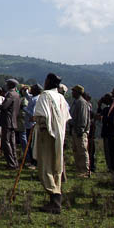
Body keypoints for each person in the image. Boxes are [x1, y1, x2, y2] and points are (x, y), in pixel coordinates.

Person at [33, 73, 71, 214]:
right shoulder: (61, 97)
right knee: (56, 165)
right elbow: (66, 116)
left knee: (45, 167)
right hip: (59, 133)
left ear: (49, 82)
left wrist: (36, 119)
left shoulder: (45, 96)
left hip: (47, 134)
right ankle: (56, 194)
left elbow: (41, 115)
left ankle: (55, 198)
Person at [0, 79, 20, 169]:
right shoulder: (17, 94)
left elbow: (4, 106)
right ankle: (15, 162)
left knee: (6, 142)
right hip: (13, 121)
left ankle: (11, 163)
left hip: (7, 121)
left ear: (10, 85)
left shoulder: (10, 94)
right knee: (12, 142)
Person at [70, 85, 91, 177]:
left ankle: (85, 171)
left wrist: (81, 130)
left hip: (79, 131)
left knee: (82, 151)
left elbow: (83, 118)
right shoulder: (76, 102)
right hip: (75, 129)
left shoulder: (82, 103)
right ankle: (79, 169)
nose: (72, 93)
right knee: (76, 150)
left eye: (74, 91)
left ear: (78, 92)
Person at [24, 83, 43, 167]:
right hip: (29, 124)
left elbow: (33, 114)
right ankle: (32, 160)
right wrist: (26, 91)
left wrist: (24, 108)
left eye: (32, 88)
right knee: (30, 142)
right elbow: (28, 97)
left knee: (32, 144)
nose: (31, 89)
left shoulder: (36, 100)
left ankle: (34, 162)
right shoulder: (34, 98)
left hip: (32, 124)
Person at [97, 93, 114, 172]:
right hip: (111, 133)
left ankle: (110, 168)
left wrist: (99, 106)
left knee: (108, 152)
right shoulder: (111, 108)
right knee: (110, 152)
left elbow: (98, 116)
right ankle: (111, 168)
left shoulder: (107, 109)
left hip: (108, 133)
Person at [82, 92, 96, 172]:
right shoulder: (87, 105)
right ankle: (89, 165)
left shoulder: (87, 105)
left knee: (90, 148)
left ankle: (91, 166)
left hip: (89, 129)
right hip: (89, 128)